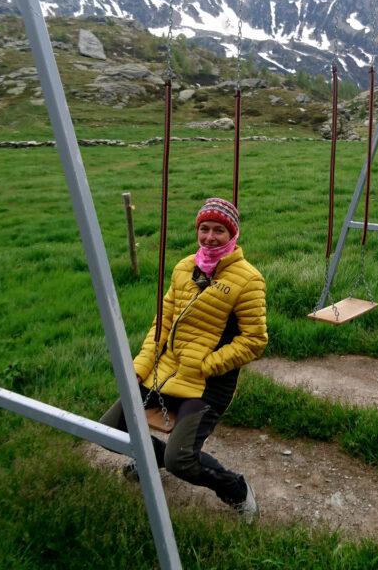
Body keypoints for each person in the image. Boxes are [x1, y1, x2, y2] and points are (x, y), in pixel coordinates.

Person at [100, 197, 268, 522]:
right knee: (109, 429)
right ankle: (157, 459)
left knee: (183, 462)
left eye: (219, 230)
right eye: (204, 228)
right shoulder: (183, 268)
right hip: (165, 372)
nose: (209, 237)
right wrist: (140, 368)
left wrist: (207, 365)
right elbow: (161, 323)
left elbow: (254, 340)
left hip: (207, 383)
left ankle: (234, 488)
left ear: (232, 234)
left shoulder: (248, 280)